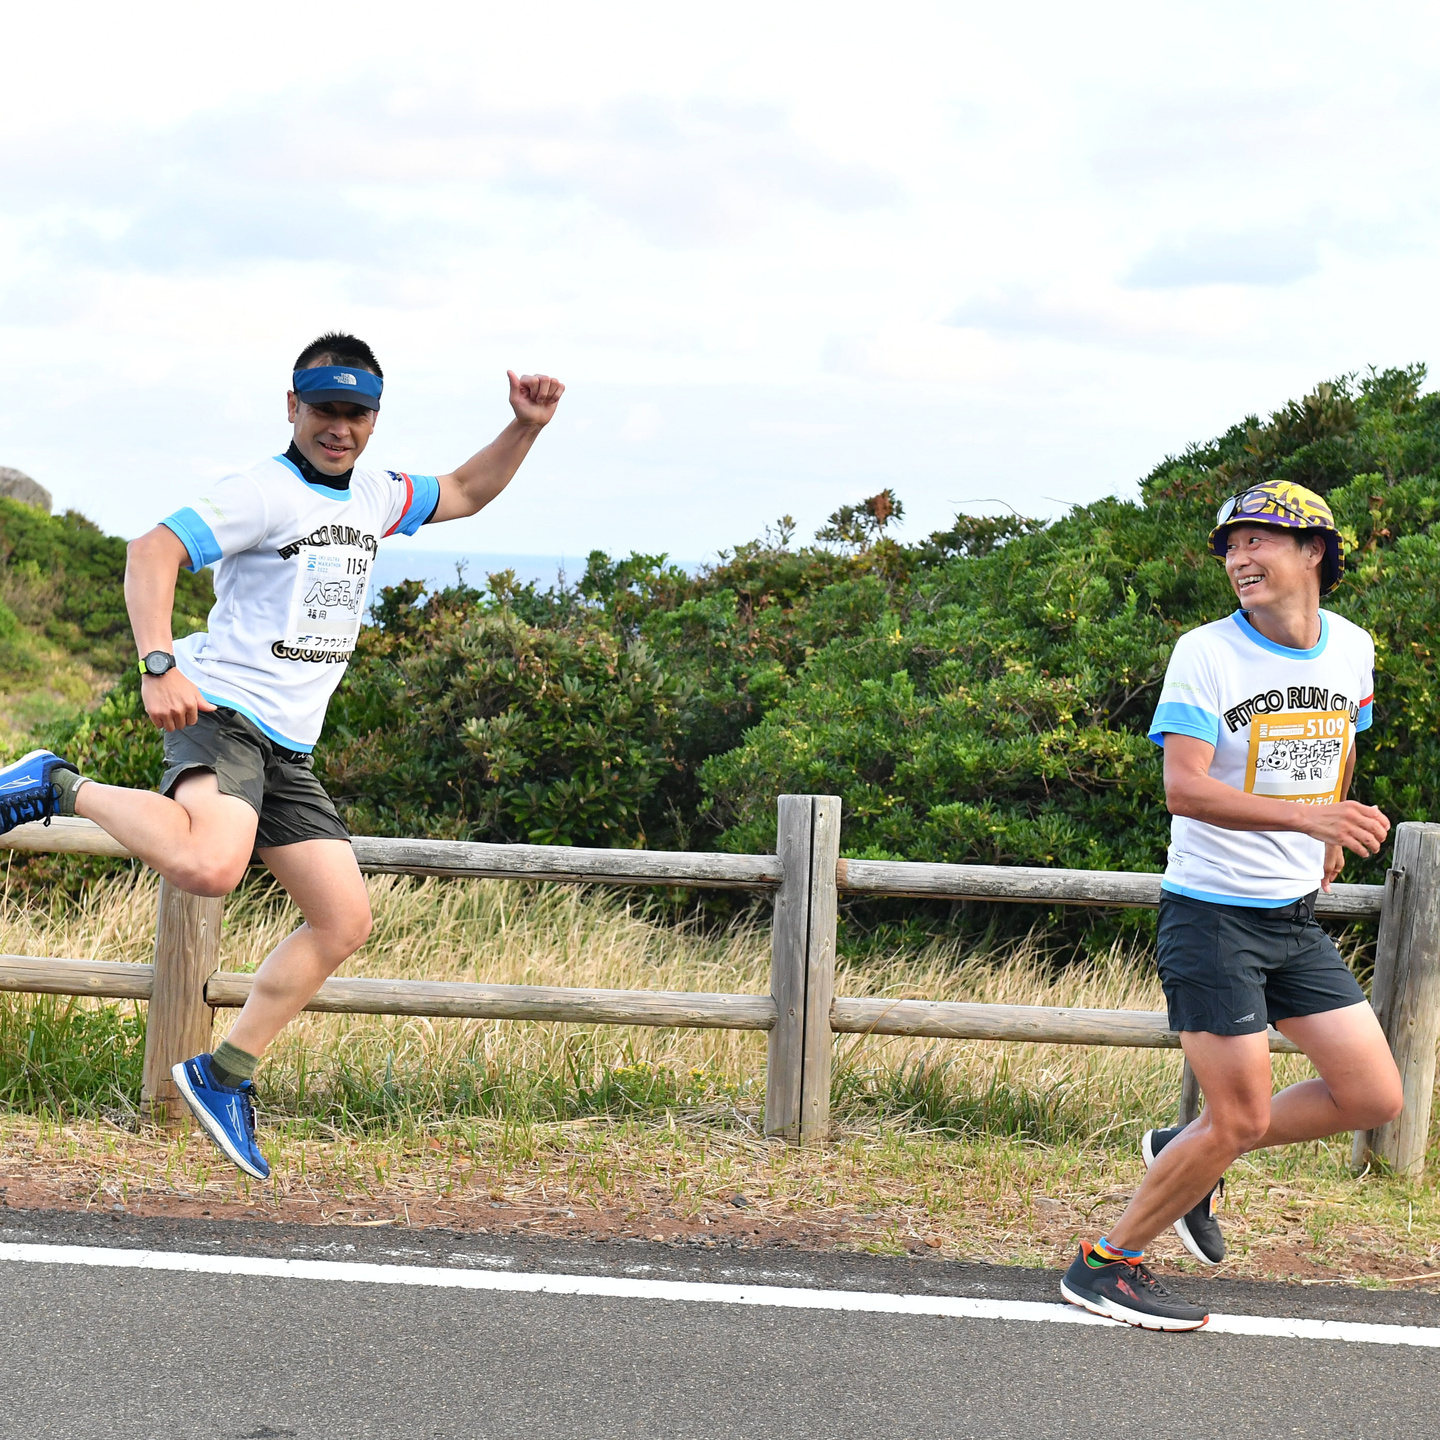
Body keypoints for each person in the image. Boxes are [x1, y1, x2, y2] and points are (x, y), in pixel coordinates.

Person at [0, 332, 563, 1180]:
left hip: (288, 746)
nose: (340, 427)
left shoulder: (377, 493)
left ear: (374, 417)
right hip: (223, 710)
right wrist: (158, 663)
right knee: (210, 865)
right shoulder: (262, 492)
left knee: (344, 921)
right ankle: (54, 783)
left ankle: (224, 1074)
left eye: (356, 413)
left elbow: (465, 491)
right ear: (293, 405)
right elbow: (152, 550)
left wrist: (525, 426)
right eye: (325, 409)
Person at [1059, 479, 1403, 1331]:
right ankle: (1105, 1266)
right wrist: (1310, 818)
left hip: (1291, 917)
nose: (1239, 558)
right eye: (1230, 547)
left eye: (1257, 541)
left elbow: (1340, 743)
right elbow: (1183, 788)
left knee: (1372, 1096)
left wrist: (1327, 826)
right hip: (1212, 917)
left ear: (1314, 551)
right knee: (1240, 1116)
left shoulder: (1352, 647)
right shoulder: (1205, 653)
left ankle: (1185, 1151)